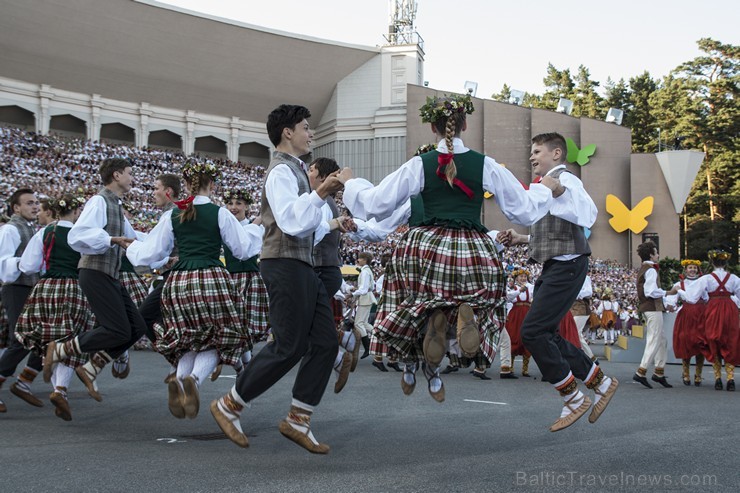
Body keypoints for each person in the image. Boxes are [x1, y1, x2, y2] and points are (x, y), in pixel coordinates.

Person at [339, 93, 559, 403]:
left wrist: (351, 183)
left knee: (407, 299)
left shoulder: (420, 164)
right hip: (472, 250)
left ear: (432, 127)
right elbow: (522, 211)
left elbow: (375, 203)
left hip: (424, 247)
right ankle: (462, 315)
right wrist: (544, 191)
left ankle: (429, 327)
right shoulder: (486, 165)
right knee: (482, 298)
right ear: (465, 123)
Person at [210, 104, 345, 453]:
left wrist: (329, 212)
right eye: (304, 126)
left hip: (300, 264)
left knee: (326, 341)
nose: (310, 132)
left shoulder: (296, 171)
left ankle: (298, 418)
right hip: (284, 263)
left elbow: (310, 226)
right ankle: (229, 404)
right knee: (288, 344)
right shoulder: (281, 172)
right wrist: (320, 194)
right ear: (287, 132)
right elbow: (289, 220)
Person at [500, 132, 618, 432]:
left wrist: (559, 190)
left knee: (533, 331)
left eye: (537, 151)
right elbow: (553, 232)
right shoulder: (546, 186)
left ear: (556, 154)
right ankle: (599, 382)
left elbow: (588, 215)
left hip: (567, 265)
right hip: (558, 265)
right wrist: (521, 238)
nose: (531, 157)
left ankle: (572, 396)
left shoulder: (567, 180)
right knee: (545, 332)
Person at [126, 159, 263, 419]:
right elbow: (242, 249)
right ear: (211, 185)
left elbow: (151, 254)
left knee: (187, 337)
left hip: (178, 283)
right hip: (211, 279)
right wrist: (256, 229)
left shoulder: (173, 214)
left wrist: (130, 246)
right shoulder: (219, 212)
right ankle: (195, 379)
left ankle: (180, 379)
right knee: (217, 337)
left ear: (187, 184)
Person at [42, 158, 148, 398]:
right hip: (94, 272)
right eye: (130, 173)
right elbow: (78, 236)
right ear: (117, 175)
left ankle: (90, 368)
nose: (133, 179)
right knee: (117, 329)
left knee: (136, 327)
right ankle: (60, 349)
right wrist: (110, 240)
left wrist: (169, 250)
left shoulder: (115, 206)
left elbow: (135, 238)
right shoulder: (99, 201)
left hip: (108, 274)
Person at [14, 194, 93, 420]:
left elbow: (28, 266)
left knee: (50, 337)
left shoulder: (46, 232)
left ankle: (54, 387)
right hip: (75, 288)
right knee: (70, 341)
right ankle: (60, 390)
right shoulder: (82, 234)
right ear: (76, 212)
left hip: (47, 287)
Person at [220, 187, 270, 375]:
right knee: (233, 323)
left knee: (247, 323)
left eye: (238, 203)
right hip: (230, 278)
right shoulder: (224, 226)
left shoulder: (256, 225)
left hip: (250, 278)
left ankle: (244, 364)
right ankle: (243, 365)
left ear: (246, 206)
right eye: (230, 203)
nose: (233, 207)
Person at [0, 188, 41, 412]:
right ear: (16, 208)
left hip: (30, 287)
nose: (35, 206)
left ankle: (24, 382)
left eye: (36, 202)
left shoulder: (29, 227)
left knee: (41, 337)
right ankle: (21, 382)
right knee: (22, 339)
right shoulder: (10, 229)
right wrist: (26, 262)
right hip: (16, 287)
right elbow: (4, 263)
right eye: (29, 203)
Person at [680, 249, 739, 391]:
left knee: (713, 340)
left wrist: (680, 291)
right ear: (725, 263)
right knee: (730, 341)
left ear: (712, 262)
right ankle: (730, 378)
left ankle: (718, 378)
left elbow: (692, 298)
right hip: (729, 310)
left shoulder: (706, 278)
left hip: (713, 309)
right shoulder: (734, 278)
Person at [633, 241, 678, 389]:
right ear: (651, 255)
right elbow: (650, 292)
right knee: (654, 340)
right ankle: (641, 371)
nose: (658, 255)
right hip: (652, 308)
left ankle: (658, 373)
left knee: (662, 341)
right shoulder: (651, 270)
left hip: (650, 308)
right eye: (656, 252)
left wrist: (665, 302)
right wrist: (669, 292)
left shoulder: (646, 268)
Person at [670, 259, 707, 386]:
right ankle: (685, 373)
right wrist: (671, 306)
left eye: (695, 268)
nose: (692, 270)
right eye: (690, 267)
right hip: (686, 315)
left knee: (700, 344)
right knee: (686, 343)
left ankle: (698, 374)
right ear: (685, 270)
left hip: (701, 315)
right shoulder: (679, 284)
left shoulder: (703, 283)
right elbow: (671, 299)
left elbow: (708, 298)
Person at [505, 268, 534, 377]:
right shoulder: (513, 287)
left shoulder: (531, 287)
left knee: (526, 338)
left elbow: (535, 296)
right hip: (515, 314)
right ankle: (510, 366)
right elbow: (508, 297)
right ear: (516, 277)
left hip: (526, 313)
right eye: (521, 276)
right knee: (513, 337)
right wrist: (519, 291)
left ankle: (525, 369)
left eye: (524, 277)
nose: (523, 278)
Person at [352, 252, 377, 360]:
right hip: (366, 298)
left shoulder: (365, 272)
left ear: (365, 260)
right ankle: (379, 336)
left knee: (358, 323)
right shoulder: (366, 271)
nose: (358, 260)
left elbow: (364, 289)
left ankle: (368, 347)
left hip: (365, 298)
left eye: (360, 258)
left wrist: (352, 294)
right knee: (365, 323)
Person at [569, 275, 597, 363]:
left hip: (581, 307)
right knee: (571, 334)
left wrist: (576, 293)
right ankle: (581, 358)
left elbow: (589, 292)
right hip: (571, 308)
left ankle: (591, 358)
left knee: (576, 333)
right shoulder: (569, 276)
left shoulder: (584, 277)